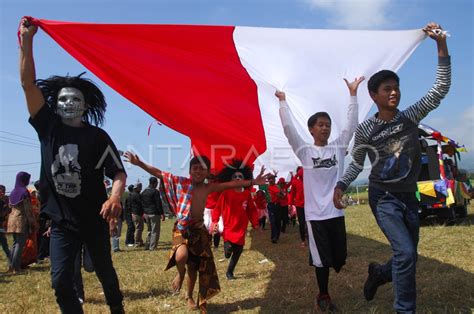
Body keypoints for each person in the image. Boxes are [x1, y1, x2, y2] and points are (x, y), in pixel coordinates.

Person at [333, 23, 450, 313]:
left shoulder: (410, 117)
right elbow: (356, 164)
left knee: (407, 257)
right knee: (406, 252)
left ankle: (380, 274)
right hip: (383, 198)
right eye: (388, 89)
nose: (394, 93)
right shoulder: (366, 131)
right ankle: (404, 310)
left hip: (409, 196)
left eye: (396, 88)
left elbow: (440, 89)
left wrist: (440, 46)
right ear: (374, 95)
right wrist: (340, 186)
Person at [19, 17, 126, 313]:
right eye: (63, 98)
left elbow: (117, 171)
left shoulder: (96, 136)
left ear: (85, 105)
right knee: (61, 282)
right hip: (61, 224)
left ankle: (118, 308)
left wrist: (115, 196)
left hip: (94, 220)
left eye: (74, 98)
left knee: (104, 274)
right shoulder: (47, 127)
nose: (68, 103)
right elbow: (28, 84)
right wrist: (27, 41)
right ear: (56, 103)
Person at [124, 152, 269, 312]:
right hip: (181, 228)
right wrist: (139, 164)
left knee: (196, 268)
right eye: (195, 168)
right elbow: (158, 173)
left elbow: (229, 185)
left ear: (207, 172)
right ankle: (180, 274)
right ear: (190, 170)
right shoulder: (180, 182)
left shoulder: (209, 187)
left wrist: (253, 182)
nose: (198, 171)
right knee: (181, 256)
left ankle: (190, 297)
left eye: (202, 169)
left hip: (198, 230)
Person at [276, 73, 364, 311]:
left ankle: (326, 285)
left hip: (336, 213)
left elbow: (352, 125)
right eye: (320, 125)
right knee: (321, 260)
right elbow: (288, 129)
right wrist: (282, 101)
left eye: (328, 125)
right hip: (315, 216)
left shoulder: (338, 147)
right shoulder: (305, 152)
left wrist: (353, 94)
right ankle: (323, 295)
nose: (325, 128)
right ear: (312, 129)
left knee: (339, 258)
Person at [212, 161, 260, 280]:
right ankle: (226, 249)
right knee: (228, 251)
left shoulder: (247, 194)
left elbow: (252, 210)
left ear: (245, 179)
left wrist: (255, 224)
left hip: (241, 229)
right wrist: (215, 221)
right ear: (230, 179)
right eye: (235, 176)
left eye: (240, 176)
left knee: (238, 252)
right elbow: (217, 208)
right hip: (229, 228)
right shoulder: (226, 193)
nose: (238, 178)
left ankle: (230, 272)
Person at [7, 172, 36, 273]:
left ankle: (11, 267)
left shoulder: (13, 192)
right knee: (20, 244)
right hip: (21, 219)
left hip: (12, 219)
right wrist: (33, 222)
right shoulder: (24, 192)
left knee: (15, 243)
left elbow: (10, 207)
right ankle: (16, 268)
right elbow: (28, 209)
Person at [141, 177, 166, 251]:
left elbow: (142, 203)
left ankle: (147, 246)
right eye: (157, 183)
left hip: (146, 213)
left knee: (149, 230)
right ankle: (152, 247)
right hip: (154, 213)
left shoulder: (144, 192)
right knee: (155, 231)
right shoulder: (155, 192)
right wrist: (162, 213)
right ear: (155, 183)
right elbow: (158, 203)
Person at [290, 167, 306, 247]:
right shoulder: (295, 182)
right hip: (299, 206)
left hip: (309, 206)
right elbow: (292, 194)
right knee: (302, 224)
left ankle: (309, 237)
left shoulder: (308, 181)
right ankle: (303, 240)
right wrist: (290, 204)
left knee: (309, 223)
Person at [0, 184, 11, 267]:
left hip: (1, 226)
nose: (3, 192)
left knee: (5, 246)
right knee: (5, 246)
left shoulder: (3, 201)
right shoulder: (2, 202)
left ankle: (12, 263)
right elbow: (2, 214)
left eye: (3, 191)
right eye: (1, 191)